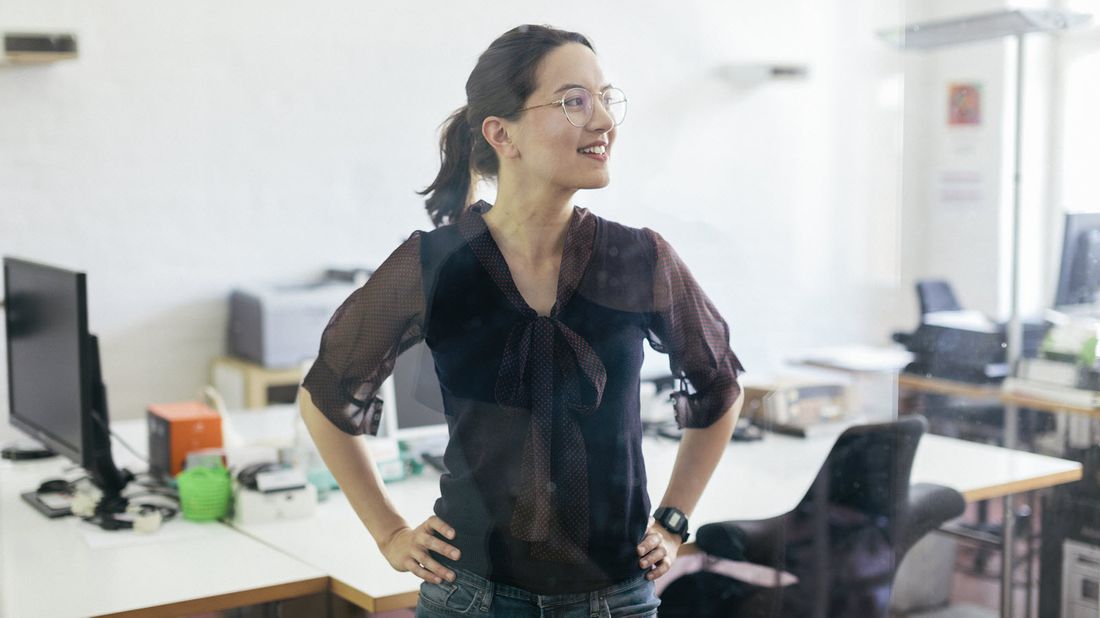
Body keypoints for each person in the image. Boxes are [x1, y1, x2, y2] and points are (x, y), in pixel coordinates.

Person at [298, 24, 745, 617]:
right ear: (500, 133)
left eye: (605, 99)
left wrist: (673, 519)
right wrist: (389, 533)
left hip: (616, 600)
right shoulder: (432, 265)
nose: (604, 122)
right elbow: (326, 397)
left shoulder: (641, 259)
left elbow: (720, 387)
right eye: (573, 101)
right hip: (470, 599)